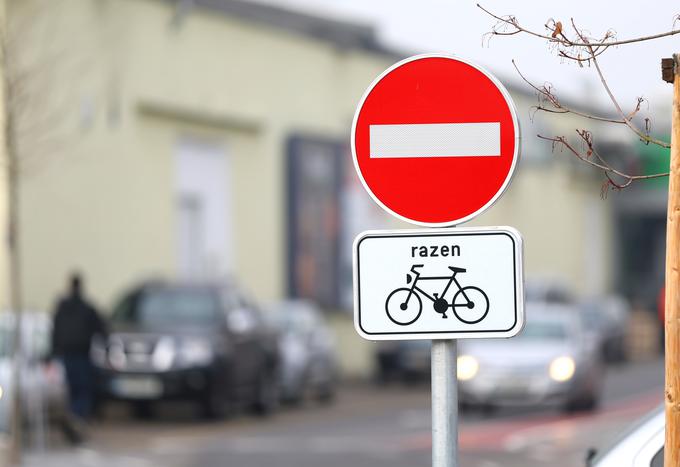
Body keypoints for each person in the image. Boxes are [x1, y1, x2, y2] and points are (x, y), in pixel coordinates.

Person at [51, 273, 106, 426]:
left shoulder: (64, 307)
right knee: (83, 388)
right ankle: (77, 416)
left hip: (69, 354)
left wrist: (54, 350)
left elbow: (55, 330)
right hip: (81, 354)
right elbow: (101, 328)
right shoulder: (85, 306)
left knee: (74, 387)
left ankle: (75, 416)